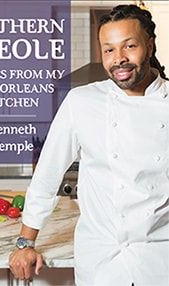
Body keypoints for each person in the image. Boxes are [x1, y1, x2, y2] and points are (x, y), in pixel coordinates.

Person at [9, 4, 169, 286]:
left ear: (150, 45)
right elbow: (48, 174)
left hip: (160, 260)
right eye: (109, 50)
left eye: (129, 46)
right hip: (102, 260)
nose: (119, 59)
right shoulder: (82, 101)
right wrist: (25, 243)